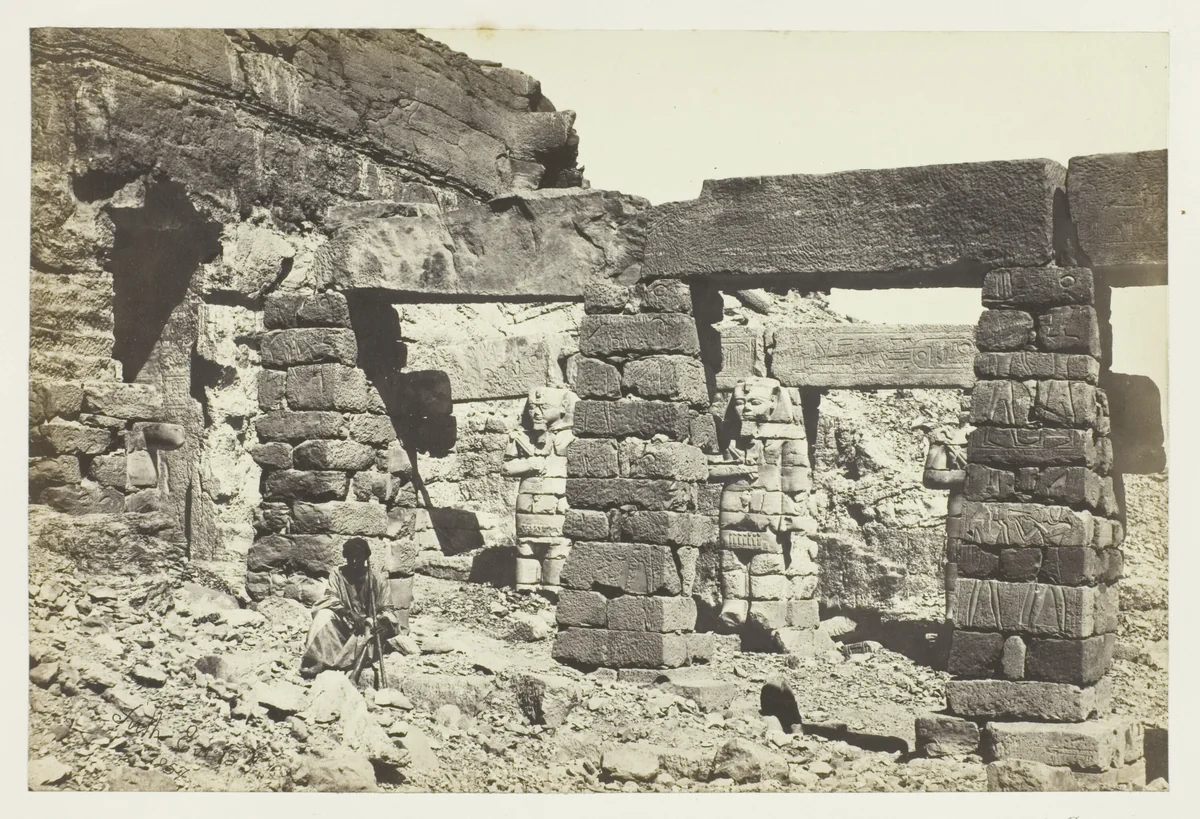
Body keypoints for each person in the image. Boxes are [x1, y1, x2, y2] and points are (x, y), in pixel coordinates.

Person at [300, 537, 399, 680]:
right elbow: (330, 598)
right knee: (323, 614)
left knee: (371, 627)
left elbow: (388, 609)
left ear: (365, 558)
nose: (353, 562)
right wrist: (349, 613)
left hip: (366, 628)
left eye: (357, 558)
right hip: (344, 623)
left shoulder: (377, 579)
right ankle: (318, 660)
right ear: (345, 557)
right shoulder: (338, 574)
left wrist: (381, 622)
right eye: (350, 558)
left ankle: (350, 668)